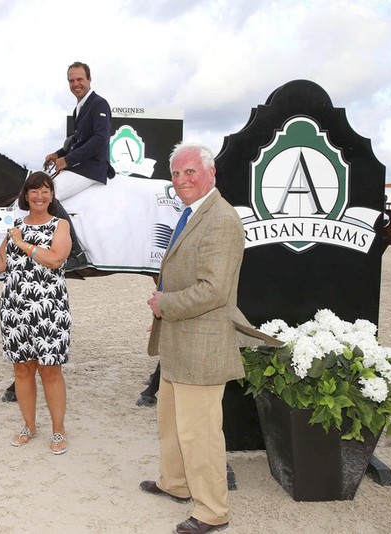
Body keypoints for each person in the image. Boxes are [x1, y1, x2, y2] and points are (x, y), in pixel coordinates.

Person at [140, 143, 245, 534]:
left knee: (199, 432)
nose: (182, 179)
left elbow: (214, 290)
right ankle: (176, 483)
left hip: (202, 346)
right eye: (177, 173)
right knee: (170, 422)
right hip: (177, 342)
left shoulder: (221, 219)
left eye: (190, 172)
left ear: (211, 173)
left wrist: (165, 303)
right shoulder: (191, 214)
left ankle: (212, 510)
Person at [0, 171, 72, 455]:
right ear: (26, 195)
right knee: (22, 370)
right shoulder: (14, 225)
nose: (39, 196)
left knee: (50, 371)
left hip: (49, 308)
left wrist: (22, 243)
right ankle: (28, 426)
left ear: (51, 195)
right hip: (15, 308)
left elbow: (56, 259)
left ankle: (58, 430)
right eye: (34, 191)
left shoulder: (60, 226)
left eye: (45, 190)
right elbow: (1, 265)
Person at [43, 61, 114, 272]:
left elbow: (100, 140)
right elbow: (79, 141)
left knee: (48, 197)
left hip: (92, 167)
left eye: (79, 79)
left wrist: (67, 161)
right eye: (71, 80)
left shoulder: (99, 104)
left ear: (89, 80)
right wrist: (58, 154)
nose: (76, 84)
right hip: (80, 165)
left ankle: (76, 253)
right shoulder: (79, 108)